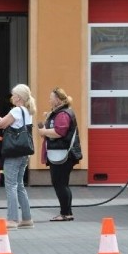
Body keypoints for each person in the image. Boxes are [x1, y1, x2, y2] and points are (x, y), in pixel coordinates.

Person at [0, 83, 35, 230]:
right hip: (23, 152)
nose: (12, 97)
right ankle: (27, 218)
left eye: (13, 94)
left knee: (11, 185)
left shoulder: (17, 110)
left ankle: (12, 219)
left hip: (13, 152)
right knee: (20, 185)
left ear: (18, 97)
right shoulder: (26, 111)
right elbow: (5, 122)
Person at [37, 87, 83, 221]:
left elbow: (59, 132)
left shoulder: (63, 114)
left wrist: (44, 132)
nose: (49, 100)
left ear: (57, 99)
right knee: (62, 183)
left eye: (51, 98)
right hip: (61, 153)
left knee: (60, 184)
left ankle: (65, 213)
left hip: (62, 154)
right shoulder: (62, 112)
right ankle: (66, 212)